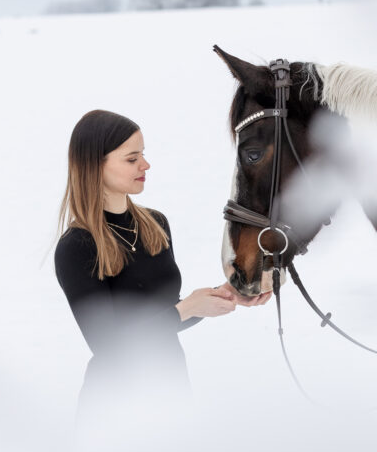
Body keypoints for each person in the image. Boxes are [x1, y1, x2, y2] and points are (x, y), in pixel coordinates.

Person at [54, 109, 269, 416]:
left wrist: (226, 294)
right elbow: (107, 346)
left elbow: (166, 316)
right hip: (114, 411)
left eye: (142, 154)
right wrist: (186, 309)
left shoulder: (155, 223)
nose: (145, 165)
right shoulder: (76, 246)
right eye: (131, 159)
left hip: (170, 394)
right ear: (94, 165)